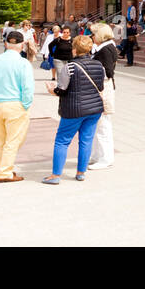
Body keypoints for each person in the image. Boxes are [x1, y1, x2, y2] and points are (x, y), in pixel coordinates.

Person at [43, 34, 105, 184]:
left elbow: (62, 89)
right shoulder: (99, 65)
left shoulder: (69, 67)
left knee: (62, 141)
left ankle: (56, 175)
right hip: (94, 109)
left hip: (73, 109)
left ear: (74, 49)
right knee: (86, 140)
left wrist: (52, 91)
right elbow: (101, 87)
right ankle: (80, 172)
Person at [0, 30, 33, 182]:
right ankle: (4, 172)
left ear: (5, 43)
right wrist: (26, 105)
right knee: (14, 140)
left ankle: (4, 168)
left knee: (1, 141)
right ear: (22, 44)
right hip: (16, 103)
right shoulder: (23, 63)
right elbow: (28, 88)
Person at [88, 23, 118, 170]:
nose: (91, 37)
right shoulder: (106, 47)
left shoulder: (105, 49)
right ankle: (97, 155)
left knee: (103, 125)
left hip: (103, 88)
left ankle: (105, 158)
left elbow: (108, 72)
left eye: (93, 34)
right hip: (102, 87)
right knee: (98, 124)